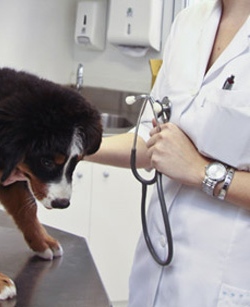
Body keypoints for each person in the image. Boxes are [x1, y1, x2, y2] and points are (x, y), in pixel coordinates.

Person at [85, 0, 250, 306]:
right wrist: (74, 148)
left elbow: (183, 161)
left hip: (227, 281)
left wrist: (204, 172)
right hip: (155, 271)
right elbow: (153, 140)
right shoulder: (189, 21)